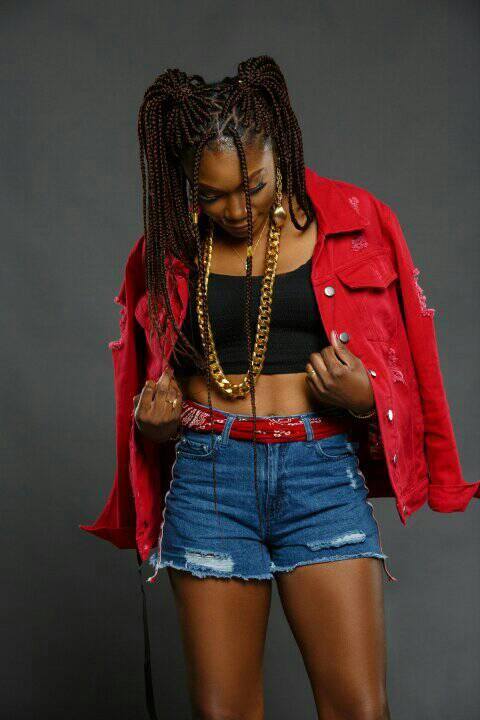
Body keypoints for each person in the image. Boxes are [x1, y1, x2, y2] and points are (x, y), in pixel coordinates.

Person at [80, 56, 479, 720]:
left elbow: (410, 362)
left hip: (320, 475)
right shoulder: (166, 251)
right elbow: (152, 383)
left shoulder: (358, 219)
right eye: (212, 195)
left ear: (281, 154)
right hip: (210, 479)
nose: (237, 210)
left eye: (254, 186)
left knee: (359, 709)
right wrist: (153, 424)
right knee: (225, 714)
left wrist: (363, 396)